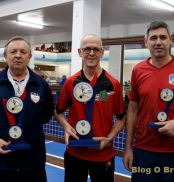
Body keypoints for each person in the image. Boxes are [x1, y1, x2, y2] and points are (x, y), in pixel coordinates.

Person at [122, 20, 174, 182]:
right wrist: (127, 149)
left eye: (162, 37)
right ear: (146, 42)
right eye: (153, 38)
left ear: (170, 39)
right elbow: (132, 111)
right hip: (143, 150)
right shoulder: (138, 70)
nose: (158, 42)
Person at [0, 36, 54, 182]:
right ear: (5, 56)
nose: (17, 55)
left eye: (23, 52)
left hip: (33, 163)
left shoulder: (42, 84)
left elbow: (47, 115)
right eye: (13, 51)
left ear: (29, 57)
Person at [54, 34, 126, 182]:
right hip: (75, 152)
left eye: (95, 49)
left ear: (102, 52)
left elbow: (121, 118)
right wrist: (67, 127)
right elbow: (58, 111)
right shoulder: (70, 83)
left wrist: (109, 138)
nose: (91, 53)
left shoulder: (113, 84)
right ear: (80, 52)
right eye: (87, 49)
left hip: (103, 154)